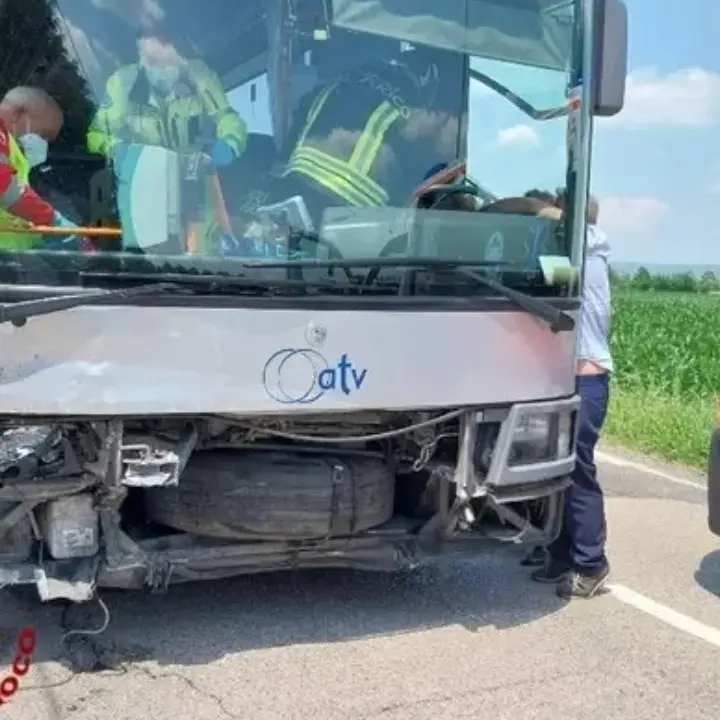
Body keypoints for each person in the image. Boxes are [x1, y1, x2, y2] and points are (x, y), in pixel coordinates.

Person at [87, 28, 252, 254]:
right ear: (140, 58)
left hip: (195, 185)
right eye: (152, 61)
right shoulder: (122, 83)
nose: (161, 69)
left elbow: (227, 117)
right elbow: (97, 134)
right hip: (144, 188)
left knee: (205, 263)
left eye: (167, 60)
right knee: (146, 259)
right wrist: (116, 149)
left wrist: (230, 143)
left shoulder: (199, 76)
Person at [530, 191, 613, 598]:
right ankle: (561, 552)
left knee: (578, 470)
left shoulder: (585, 252)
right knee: (557, 471)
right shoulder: (583, 253)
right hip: (572, 377)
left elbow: (544, 217)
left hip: (586, 379)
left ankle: (592, 563)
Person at [0, 86, 89, 251]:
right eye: (43, 135)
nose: (44, 144)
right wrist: (53, 222)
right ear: (18, 113)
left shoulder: (13, 151)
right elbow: (5, 189)